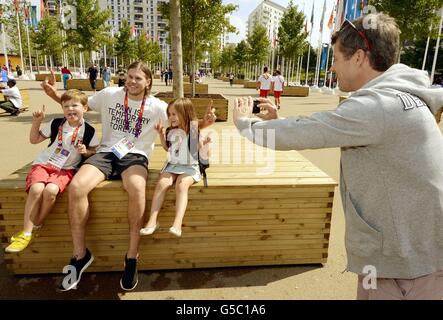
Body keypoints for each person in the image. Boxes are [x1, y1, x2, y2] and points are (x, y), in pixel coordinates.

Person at [233, 13, 443, 300]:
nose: (331, 67)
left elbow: (309, 131)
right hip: (411, 256)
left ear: (358, 57)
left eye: (335, 58)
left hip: (402, 268)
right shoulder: (401, 97)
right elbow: (333, 129)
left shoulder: (378, 106)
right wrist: (277, 119)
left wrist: (247, 125)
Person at [41, 61, 216, 292]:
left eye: (138, 78)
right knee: (77, 187)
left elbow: (182, 120)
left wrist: (205, 123)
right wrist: (54, 93)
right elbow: (77, 106)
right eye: (129, 76)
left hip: (135, 156)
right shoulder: (109, 94)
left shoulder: (157, 106)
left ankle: (132, 256)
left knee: (136, 187)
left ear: (148, 82)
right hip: (105, 152)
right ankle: (80, 255)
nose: (132, 81)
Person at [4, 90, 99, 253]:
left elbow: (95, 151)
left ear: (85, 107)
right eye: (66, 106)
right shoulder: (56, 123)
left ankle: (36, 223)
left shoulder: (89, 130)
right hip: (44, 164)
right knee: (36, 189)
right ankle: (26, 233)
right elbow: (34, 140)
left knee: (51, 191)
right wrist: (36, 122)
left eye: (74, 105)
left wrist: (86, 151)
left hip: (66, 169)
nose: (70, 109)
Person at [140, 98, 211, 238]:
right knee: (162, 183)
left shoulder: (194, 130)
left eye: (174, 114)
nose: (170, 117)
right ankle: (152, 221)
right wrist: (160, 134)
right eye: (169, 114)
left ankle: (177, 223)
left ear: (185, 114)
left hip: (190, 167)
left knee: (182, 185)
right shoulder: (171, 131)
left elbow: (198, 152)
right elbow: (167, 148)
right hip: (172, 165)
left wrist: (203, 145)